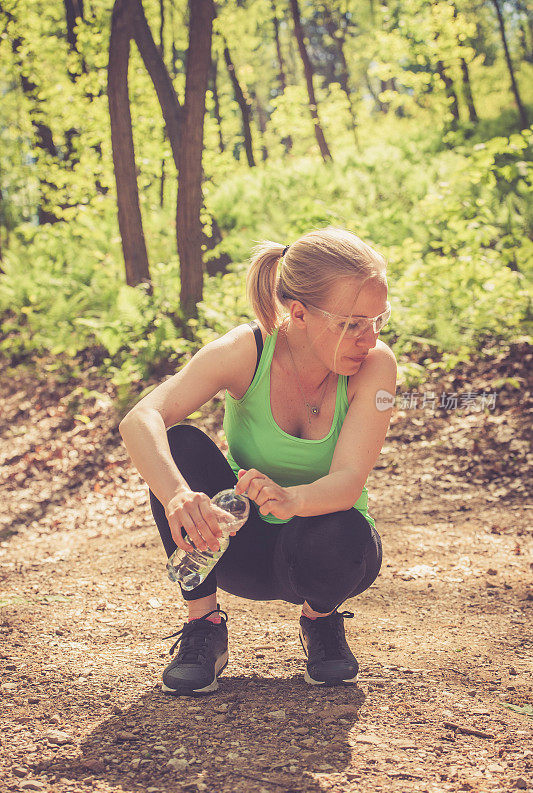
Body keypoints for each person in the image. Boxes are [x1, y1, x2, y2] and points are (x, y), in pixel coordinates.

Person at [118, 226, 396, 696]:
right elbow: (140, 418)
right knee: (180, 446)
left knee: (343, 527)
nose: (367, 338)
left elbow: (349, 481)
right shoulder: (247, 350)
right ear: (299, 313)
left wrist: (290, 499)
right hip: (235, 547)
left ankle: (321, 621)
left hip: (324, 554)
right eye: (352, 323)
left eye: (377, 320)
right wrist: (177, 495)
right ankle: (203, 622)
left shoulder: (376, 366)